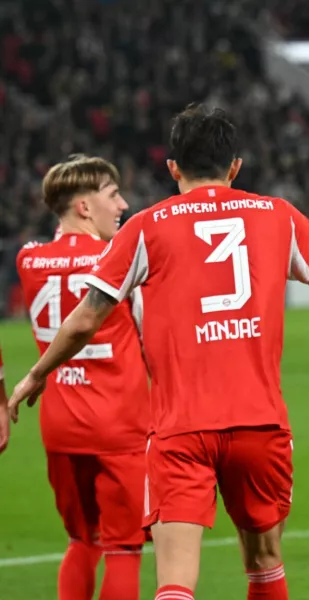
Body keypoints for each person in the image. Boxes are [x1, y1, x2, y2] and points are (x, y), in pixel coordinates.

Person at [7, 105, 309, 600]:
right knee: (265, 564)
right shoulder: (280, 216)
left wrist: (37, 374)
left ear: (173, 168)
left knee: (175, 579)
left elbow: (84, 320)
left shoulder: (144, 227)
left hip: (179, 429)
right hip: (260, 424)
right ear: (235, 167)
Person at [4, 155, 150, 600]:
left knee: (83, 542)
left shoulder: (29, 259)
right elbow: (151, 337)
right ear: (85, 207)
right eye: (113, 195)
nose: (123, 205)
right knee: (124, 547)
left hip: (60, 423)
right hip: (120, 424)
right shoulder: (118, 259)